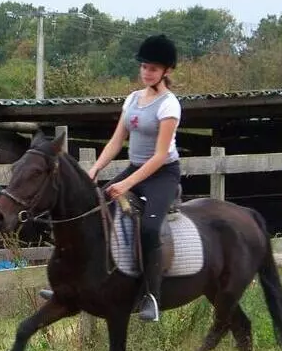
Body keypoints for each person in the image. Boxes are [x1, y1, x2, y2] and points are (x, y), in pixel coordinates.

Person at [40, 34, 182, 322]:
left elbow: (158, 157)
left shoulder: (169, 105)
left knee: (150, 229)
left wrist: (127, 184)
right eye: (143, 67)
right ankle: (73, 284)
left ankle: (151, 297)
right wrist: (94, 170)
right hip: (135, 168)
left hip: (162, 175)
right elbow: (117, 141)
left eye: (152, 68)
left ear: (166, 71)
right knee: (93, 213)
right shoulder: (132, 99)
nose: (146, 72)